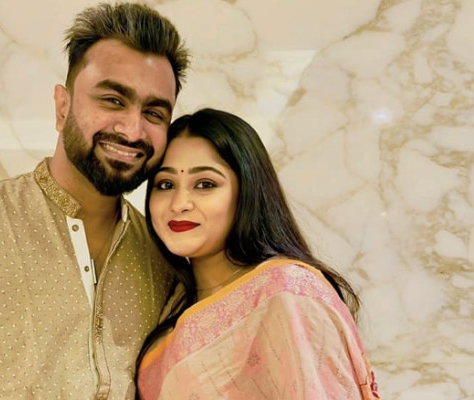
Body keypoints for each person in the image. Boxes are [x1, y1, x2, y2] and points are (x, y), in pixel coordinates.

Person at [0, 3, 190, 399]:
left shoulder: (164, 260)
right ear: (62, 107)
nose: (133, 130)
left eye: (154, 113)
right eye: (113, 100)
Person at [136, 108, 381, 399]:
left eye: (205, 185)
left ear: (247, 191)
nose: (179, 203)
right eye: (165, 185)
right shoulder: (168, 305)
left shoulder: (285, 293)